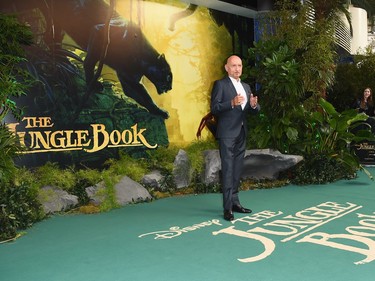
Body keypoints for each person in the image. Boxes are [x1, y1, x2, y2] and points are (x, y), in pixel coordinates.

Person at [210, 55, 260, 221]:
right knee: (228, 169)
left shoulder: (245, 86)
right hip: (227, 135)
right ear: (227, 68)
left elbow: (251, 109)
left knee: (237, 169)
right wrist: (231, 103)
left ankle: (235, 203)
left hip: (241, 133)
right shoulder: (220, 85)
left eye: (239, 65)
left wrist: (254, 105)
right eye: (233, 65)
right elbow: (215, 108)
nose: (237, 68)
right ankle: (227, 209)